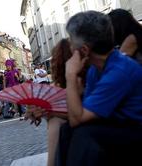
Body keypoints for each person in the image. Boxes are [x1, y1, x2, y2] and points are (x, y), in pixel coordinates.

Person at [52, 11, 142, 166]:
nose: (71, 47)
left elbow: (77, 119)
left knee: (83, 134)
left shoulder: (119, 72)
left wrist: (71, 77)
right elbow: (81, 114)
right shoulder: (97, 69)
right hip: (118, 125)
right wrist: (50, 111)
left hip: (135, 131)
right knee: (65, 131)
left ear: (85, 50)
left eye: (72, 42)